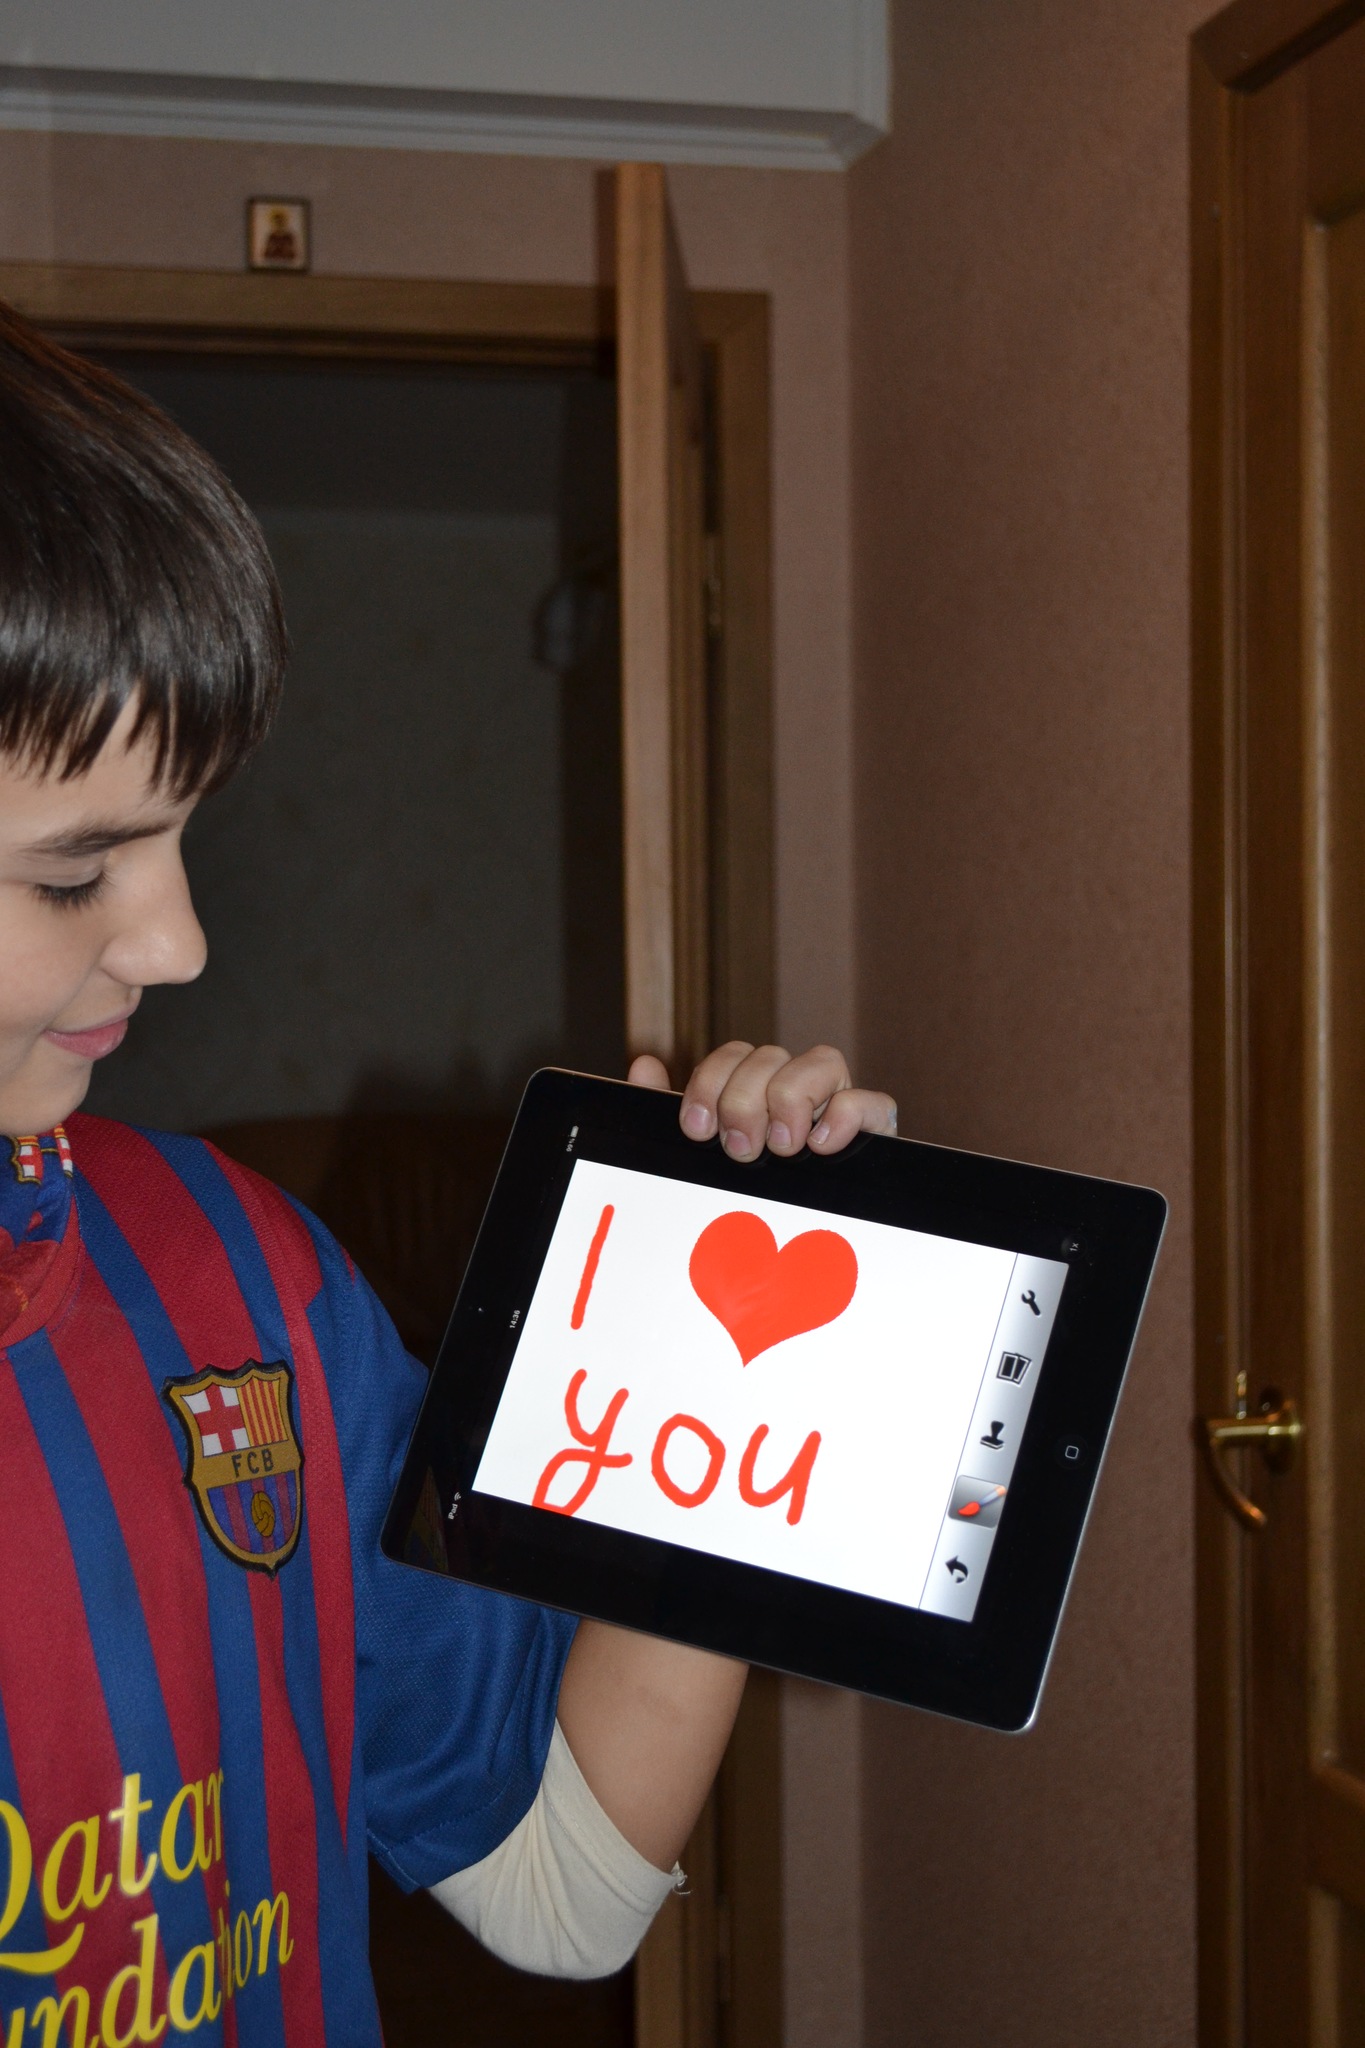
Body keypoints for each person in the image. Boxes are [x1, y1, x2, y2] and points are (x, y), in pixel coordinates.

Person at [0, 302, 897, 2047]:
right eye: (75, 871)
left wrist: (708, 1368)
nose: (178, 942)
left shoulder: (247, 1279)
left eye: (183, 834)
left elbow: (562, 1884)